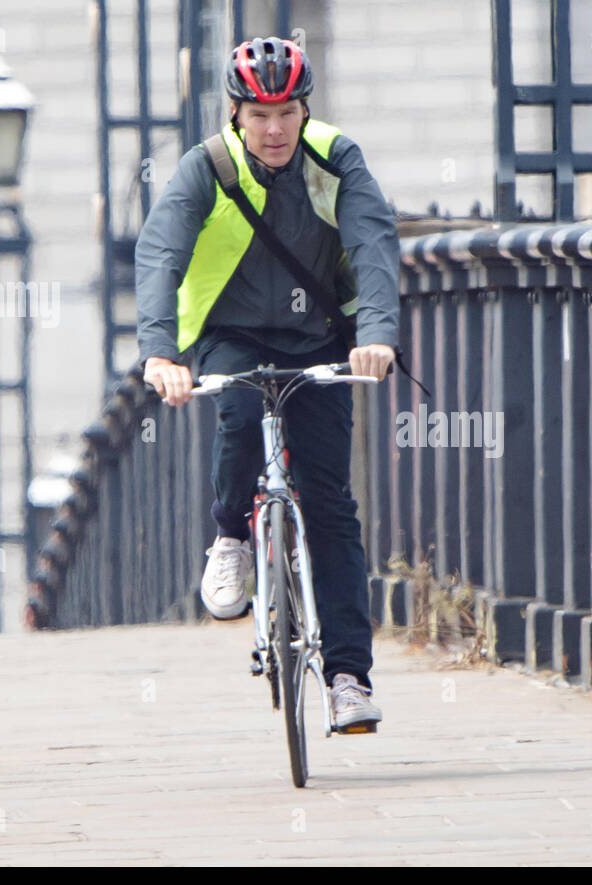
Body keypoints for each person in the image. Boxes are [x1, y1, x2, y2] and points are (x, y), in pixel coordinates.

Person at [134, 36, 398, 731]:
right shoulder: (207, 169)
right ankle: (231, 538)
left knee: (332, 505)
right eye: (259, 114)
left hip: (318, 337)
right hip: (232, 332)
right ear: (235, 114)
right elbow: (162, 252)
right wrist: (161, 353)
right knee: (241, 412)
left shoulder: (334, 159)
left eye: (287, 112)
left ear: (305, 110)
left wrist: (376, 333)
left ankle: (348, 677)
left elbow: (373, 242)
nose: (274, 129)